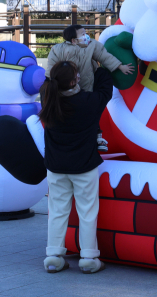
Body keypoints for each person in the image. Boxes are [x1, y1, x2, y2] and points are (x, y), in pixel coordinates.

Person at [39, 61, 112, 274]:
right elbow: (105, 88)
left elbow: (49, 83)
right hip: (84, 166)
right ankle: (89, 257)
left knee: (57, 211)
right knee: (87, 212)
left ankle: (53, 256)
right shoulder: (89, 102)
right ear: (73, 81)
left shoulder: (48, 99)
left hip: (55, 166)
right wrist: (98, 66)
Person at [46, 24, 133, 151]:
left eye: (85, 32)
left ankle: (97, 137)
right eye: (82, 34)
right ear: (74, 40)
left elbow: (104, 56)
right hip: (64, 88)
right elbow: (52, 67)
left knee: (90, 111)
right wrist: (49, 82)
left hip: (86, 85)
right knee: (67, 112)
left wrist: (120, 66)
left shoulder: (91, 45)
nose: (86, 35)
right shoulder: (58, 49)